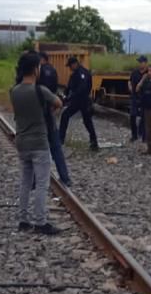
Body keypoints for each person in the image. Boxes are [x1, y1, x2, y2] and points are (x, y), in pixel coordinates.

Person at [11, 51, 61, 235]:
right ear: (35, 69)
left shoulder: (14, 91)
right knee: (41, 183)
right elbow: (59, 102)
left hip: (22, 142)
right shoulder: (41, 91)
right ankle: (40, 221)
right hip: (39, 142)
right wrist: (49, 114)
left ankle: (23, 220)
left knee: (25, 182)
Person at [36, 53, 70, 185]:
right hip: (50, 108)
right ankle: (65, 177)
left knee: (38, 148)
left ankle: (37, 179)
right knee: (56, 147)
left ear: (41, 60)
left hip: (39, 113)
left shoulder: (39, 72)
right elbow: (55, 92)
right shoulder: (53, 70)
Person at [58, 55, 98, 151]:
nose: (70, 68)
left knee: (87, 121)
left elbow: (82, 88)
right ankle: (60, 139)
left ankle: (94, 142)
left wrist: (70, 96)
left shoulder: (82, 73)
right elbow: (69, 86)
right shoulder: (75, 74)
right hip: (76, 101)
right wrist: (65, 94)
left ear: (75, 64)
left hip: (84, 101)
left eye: (70, 66)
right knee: (65, 115)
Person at [128, 55, 148, 143]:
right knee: (132, 116)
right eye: (139, 62)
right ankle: (134, 135)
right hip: (134, 97)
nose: (140, 64)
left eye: (141, 62)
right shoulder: (134, 72)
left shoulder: (148, 73)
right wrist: (129, 86)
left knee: (143, 118)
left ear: (145, 63)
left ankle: (142, 135)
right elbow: (129, 80)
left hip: (144, 97)